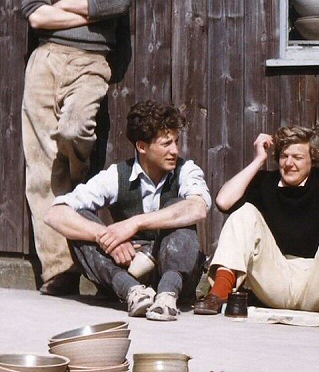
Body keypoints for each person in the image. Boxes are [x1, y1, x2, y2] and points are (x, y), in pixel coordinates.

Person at [20, 0, 134, 295]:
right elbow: (35, 15)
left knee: (74, 131)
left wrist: (64, 5)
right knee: (40, 167)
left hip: (92, 61)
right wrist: (93, 5)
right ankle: (60, 269)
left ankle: (77, 182)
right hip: (46, 60)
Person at [194, 126, 319, 328]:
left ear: (312, 160)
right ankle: (217, 295)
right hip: (275, 278)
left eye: (297, 157)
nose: (289, 163)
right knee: (244, 213)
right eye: (283, 156)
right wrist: (258, 160)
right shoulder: (265, 182)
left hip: (318, 282)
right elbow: (224, 201)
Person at [44, 101, 210, 321]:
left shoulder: (186, 170)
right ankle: (133, 293)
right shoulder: (116, 175)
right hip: (128, 268)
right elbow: (54, 214)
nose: (175, 151)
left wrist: (135, 223)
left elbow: (198, 208)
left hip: (176, 273)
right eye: (166, 144)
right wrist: (105, 238)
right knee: (81, 221)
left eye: (176, 142)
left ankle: (166, 298)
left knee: (178, 210)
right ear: (142, 146)